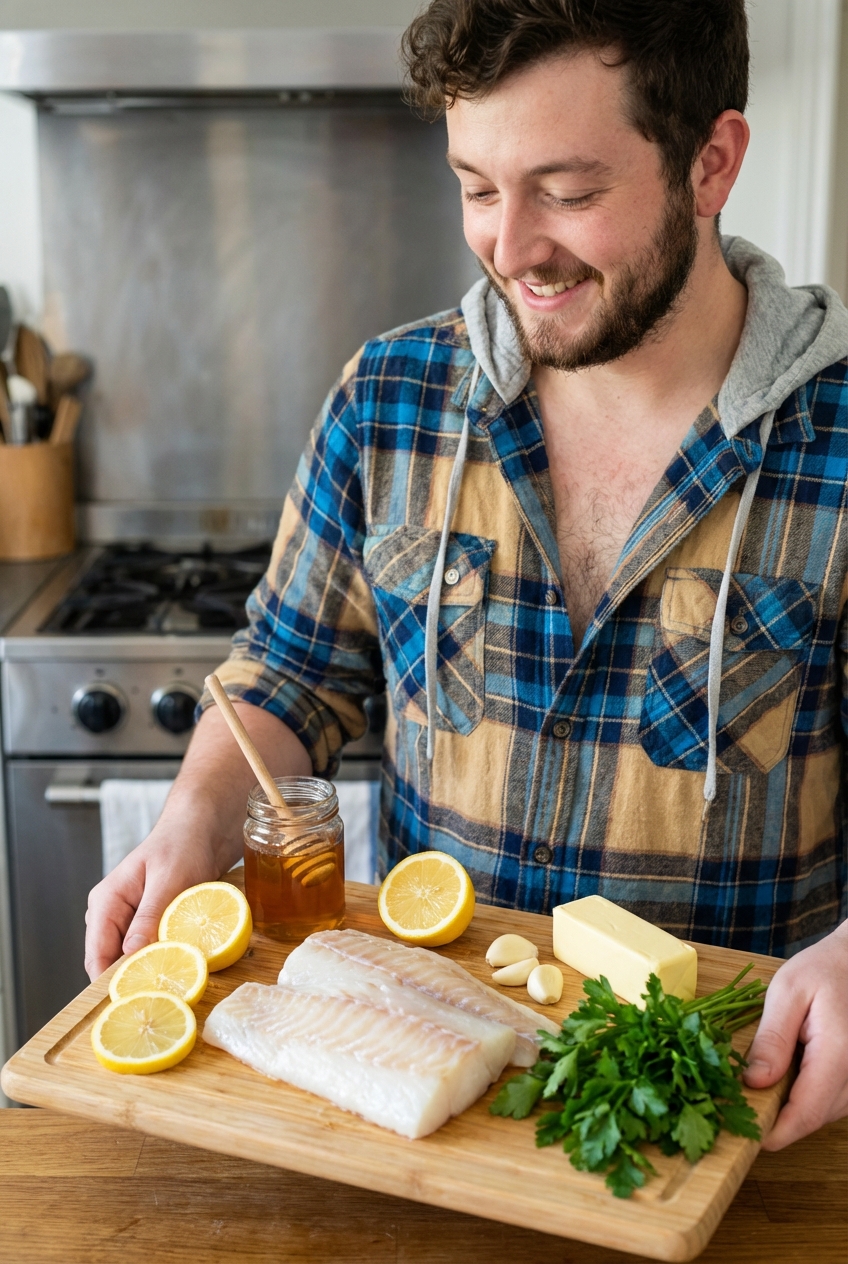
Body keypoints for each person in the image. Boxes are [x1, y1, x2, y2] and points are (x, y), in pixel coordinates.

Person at [85, 0, 847, 1150]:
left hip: (721, 1120)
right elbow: (289, 676)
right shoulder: (388, 398)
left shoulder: (833, 442)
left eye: (568, 192)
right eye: (477, 186)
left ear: (711, 162)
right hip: (426, 1115)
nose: (509, 245)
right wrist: (196, 812)